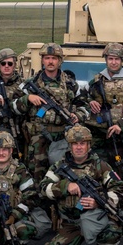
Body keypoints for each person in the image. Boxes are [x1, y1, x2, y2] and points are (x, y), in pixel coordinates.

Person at [40, 125, 123, 245]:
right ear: (70, 146)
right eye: (75, 144)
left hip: (93, 218)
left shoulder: (100, 165)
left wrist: (98, 202)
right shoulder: (60, 166)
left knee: (113, 231)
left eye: (82, 143)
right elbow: (42, 188)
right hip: (70, 222)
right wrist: (65, 186)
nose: (78, 147)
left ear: (88, 145)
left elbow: (119, 188)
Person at [84, 42, 123, 228]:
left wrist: (122, 125)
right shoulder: (96, 81)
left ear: (122, 60)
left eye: (117, 59)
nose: (113, 62)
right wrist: (90, 102)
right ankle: (102, 211)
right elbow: (81, 98)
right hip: (102, 134)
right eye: (110, 58)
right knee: (96, 168)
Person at [13, 43, 87, 182]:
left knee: (61, 175)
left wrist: (77, 116)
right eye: (47, 58)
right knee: (35, 175)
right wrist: (28, 98)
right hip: (38, 138)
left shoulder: (71, 84)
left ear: (60, 61)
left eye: (54, 58)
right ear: (42, 60)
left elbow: (84, 105)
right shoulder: (31, 83)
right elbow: (14, 107)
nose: (50, 61)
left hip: (62, 136)